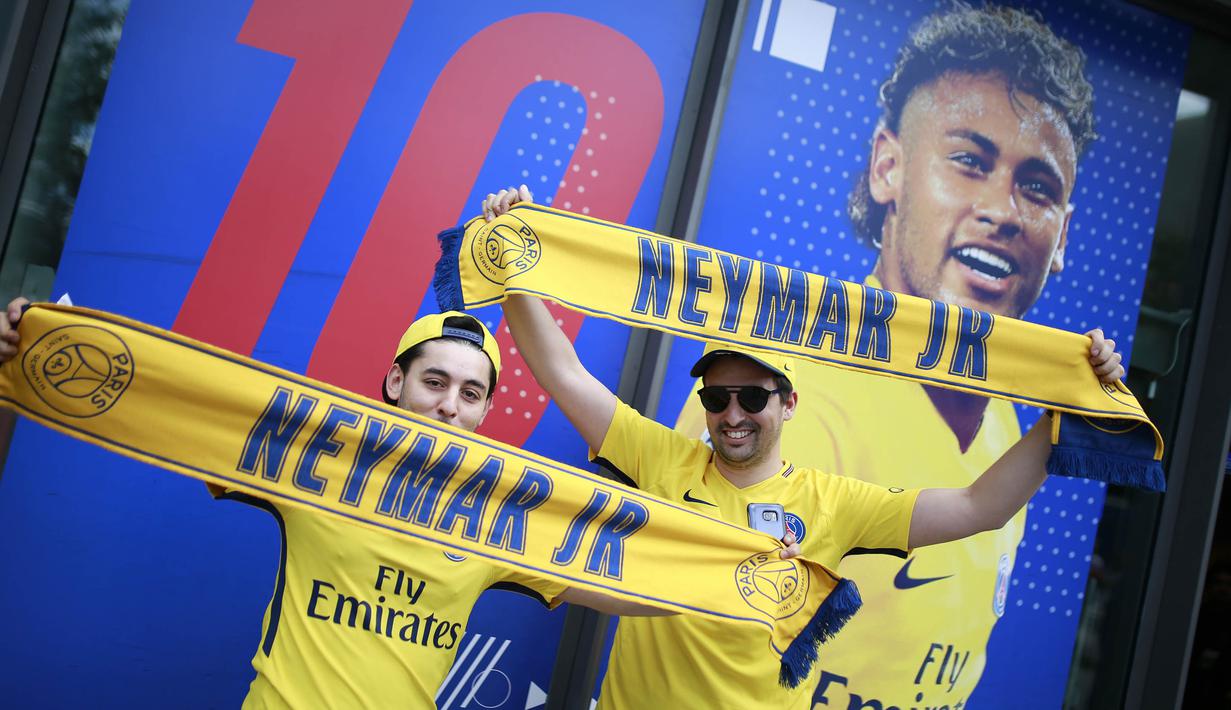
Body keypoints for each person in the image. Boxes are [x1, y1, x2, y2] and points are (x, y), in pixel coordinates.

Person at [480, 178, 1123, 710]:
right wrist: (510, 265)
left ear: (788, 403)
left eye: (753, 398)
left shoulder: (831, 503)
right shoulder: (664, 457)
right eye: (716, 397)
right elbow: (563, 372)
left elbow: (980, 507)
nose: (732, 414)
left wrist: (1062, 416)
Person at [668, 5, 1105, 707]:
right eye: (968, 161)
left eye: (1036, 187)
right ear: (887, 168)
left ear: (1061, 239)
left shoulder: (1007, 431)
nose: (1002, 209)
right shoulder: (772, 396)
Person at [0, 297, 716, 708]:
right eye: (435, 382)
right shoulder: (315, 458)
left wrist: (732, 578)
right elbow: (166, 406)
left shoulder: (505, 513)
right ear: (393, 384)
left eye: (471, 394)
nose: (449, 407)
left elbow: (623, 584)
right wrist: (38, 351)